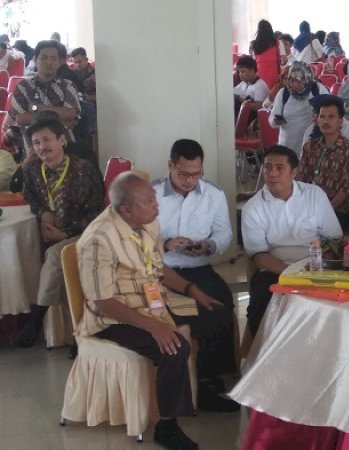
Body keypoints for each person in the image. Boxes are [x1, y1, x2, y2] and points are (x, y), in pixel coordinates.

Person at [77, 172, 222, 450]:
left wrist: (192, 289)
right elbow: (102, 301)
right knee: (175, 346)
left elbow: (158, 269)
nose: (156, 205)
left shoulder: (148, 223)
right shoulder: (99, 239)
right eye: (148, 201)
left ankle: (202, 391)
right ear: (126, 209)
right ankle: (167, 426)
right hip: (113, 317)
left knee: (216, 314)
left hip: (151, 302)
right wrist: (154, 326)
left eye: (154, 198)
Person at [152, 140, 239, 408]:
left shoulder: (213, 193)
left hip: (196, 266)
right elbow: (137, 237)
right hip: (160, 269)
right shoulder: (151, 194)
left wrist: (208, 246)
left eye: (196, 174)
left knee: (221, 302)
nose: (191, 180)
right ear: (170, 166)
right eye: (184, 174)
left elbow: (224, 233)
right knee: (187, 312)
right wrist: (165, 244)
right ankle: (194, 381)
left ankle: (212, 374)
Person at [13, 118, 104, 348]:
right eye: (36, 142)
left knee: (55, 256)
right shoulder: (33, 169)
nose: (42, 147)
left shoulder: (84, 171)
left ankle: (36, 320)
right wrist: (43, 212)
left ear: (62, 140)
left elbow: (96, 214)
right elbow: (30, 196)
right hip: (51, 234)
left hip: (83, 234)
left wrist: (64, 235)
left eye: (46, 140)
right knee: (51, 261)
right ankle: (79, 334)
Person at [241, 145, 342, 335]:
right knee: (260, 303)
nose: (272, 173)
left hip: (318, 266)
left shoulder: (314, 195)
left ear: (294, 172)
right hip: (278, 269)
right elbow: (260, 256)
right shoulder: (253, 208)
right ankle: (264, 356)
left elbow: (333, 239)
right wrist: (293, 274)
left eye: (280, 168)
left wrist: (319, 268)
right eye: (268, 167)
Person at [297, 95, 349, 223]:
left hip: (335, 209)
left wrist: (325, 210)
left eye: (331, 117)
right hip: (308, 205)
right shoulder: (310, 147)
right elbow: (301, 180)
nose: (326, 121)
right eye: (322, 116)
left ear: (340, 121)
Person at [8, 40, 81, 152]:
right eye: (44, 57)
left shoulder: (67, 85)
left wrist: (38, 108)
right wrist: (59, 118)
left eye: (53, 58)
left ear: (59, 62)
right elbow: (21, 118)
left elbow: (70, 114)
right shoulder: (23, 87)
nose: (49, 62)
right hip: (32, 151)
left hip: (66, 150)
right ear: (36, 59)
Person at [269, 61, 329, 157]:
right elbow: (272, 119)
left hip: (311, 144)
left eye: (299, 81)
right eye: (292, 81)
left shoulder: (318, 90)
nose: (295, 85)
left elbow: (329, 111)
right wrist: (275, 121)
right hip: (287, 145)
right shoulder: (284, 93)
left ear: (307, 78)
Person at [250, 19, 281, 90]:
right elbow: (284, 59)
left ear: (259, 31)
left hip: (260, 75)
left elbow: (253, 61)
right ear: (270, 29)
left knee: (261, 96)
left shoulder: (254, 44)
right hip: (274, 75)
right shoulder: (277, 43)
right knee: (273, 96)